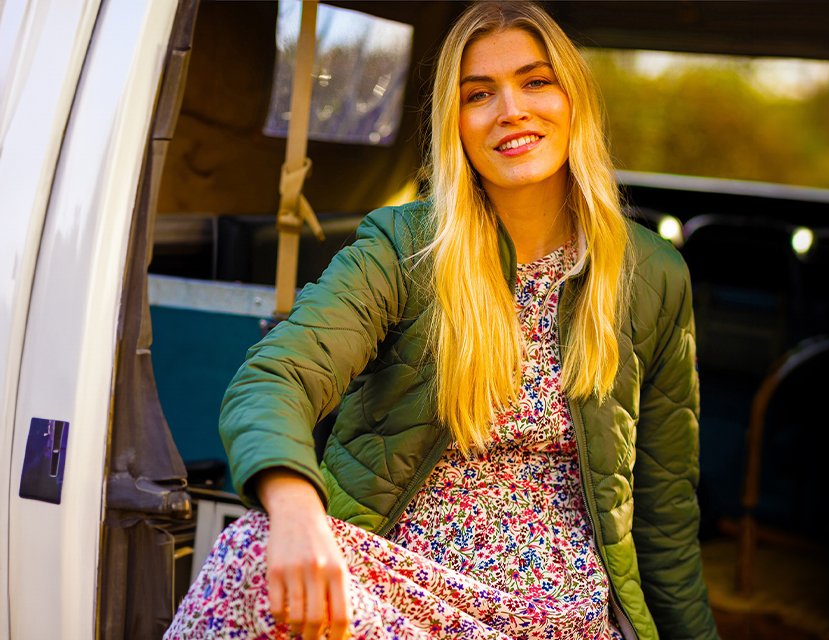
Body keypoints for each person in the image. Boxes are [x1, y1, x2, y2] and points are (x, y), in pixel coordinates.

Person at [167, 2, 719, 639]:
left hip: (565, 612)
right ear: (453, 124)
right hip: (403, 583)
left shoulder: (651, 273)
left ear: (576, 101)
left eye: (535, 82)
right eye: (478, 94)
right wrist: (294, 508)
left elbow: (665, 512)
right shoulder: (404, 247)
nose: (511, 109)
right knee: (248, 555)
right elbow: (273, 378)